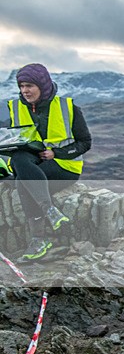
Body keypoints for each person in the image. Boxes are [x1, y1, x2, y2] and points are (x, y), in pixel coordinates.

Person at [1, 63, 91, 261]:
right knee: (18, 159)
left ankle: (39, 240)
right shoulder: (16, 107)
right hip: (33, 165)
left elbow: (85, 142)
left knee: (22, 183)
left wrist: (57, 153)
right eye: (22, 86)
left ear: (42, 85)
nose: (25, 91)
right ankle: (50, 212)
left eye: (29, 86)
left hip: (64, 167)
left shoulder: (68, 107)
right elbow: (15, 138)